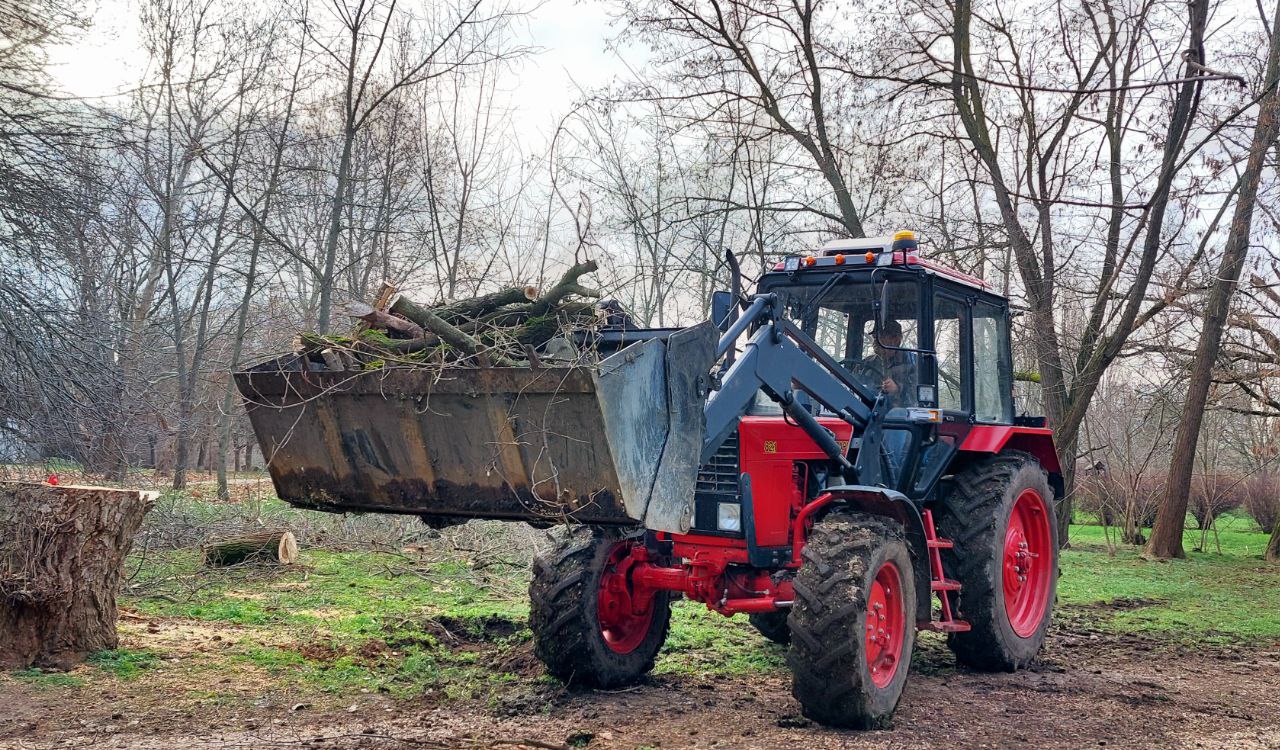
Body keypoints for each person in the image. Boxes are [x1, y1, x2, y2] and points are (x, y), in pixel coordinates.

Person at [861, 319, 916, 408]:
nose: (875, 341)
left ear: (896, 340)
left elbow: (919, 397)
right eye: (875, 337)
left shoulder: (913, 363)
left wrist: (897, 389)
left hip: (900, 417)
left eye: (881, 337)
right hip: (866, 414)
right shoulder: (867, 363)